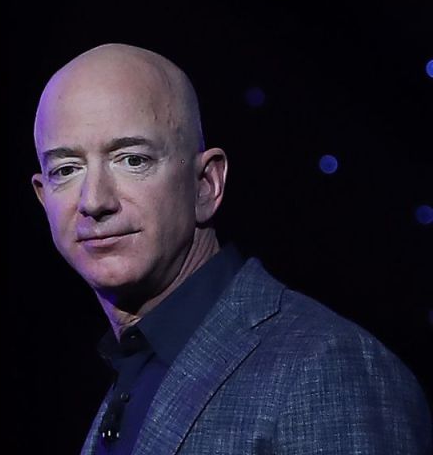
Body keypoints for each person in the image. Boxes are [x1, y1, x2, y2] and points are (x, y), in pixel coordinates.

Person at [30, 43, 431, 454]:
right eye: (67, 169)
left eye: (133, 160)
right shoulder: (133, 367)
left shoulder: (326, 368)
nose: (94, 200)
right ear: (43, 198)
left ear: (206, 185)